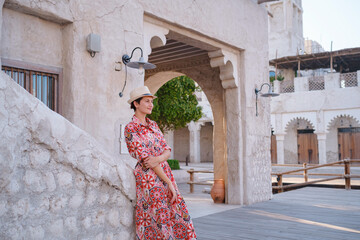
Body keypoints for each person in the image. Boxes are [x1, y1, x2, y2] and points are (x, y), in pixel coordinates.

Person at [124, 86, 197, 240]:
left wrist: (158, 159)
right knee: (158, 216)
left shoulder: (154, 125)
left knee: (177, 212)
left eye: (152, 101)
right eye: (147, 101)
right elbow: (146, 160)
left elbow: (167, 149)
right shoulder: (131, 128)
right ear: (136, 104)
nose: (151, 105)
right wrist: (168, 181)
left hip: (164, 173)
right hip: (149, 178)